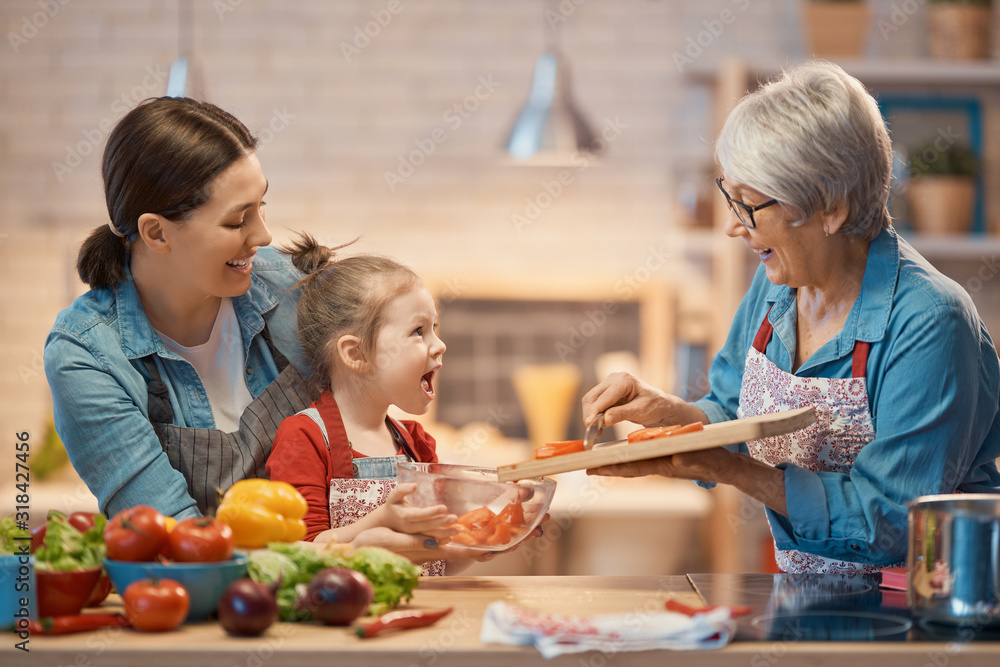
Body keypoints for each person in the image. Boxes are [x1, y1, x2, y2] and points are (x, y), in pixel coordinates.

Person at [582, 61, 1000, 574]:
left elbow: (892, 521)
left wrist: (735, 472)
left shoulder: (930, 320)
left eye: (751, 206)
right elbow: (733, 418)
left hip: (922, 611)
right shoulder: (778, 285)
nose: (736, 228)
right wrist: (666, 414)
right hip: (818, 598)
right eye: (731, 199)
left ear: (831, 208)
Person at [44, 97, 317, 520]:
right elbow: (172, 537)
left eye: (261, 206)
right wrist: (329, 549)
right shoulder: (86, 356)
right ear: (156, 233)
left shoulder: (292, 287)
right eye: (236, 221)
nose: (263, 236)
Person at [266, 237, 502, 572]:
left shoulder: (416, 443)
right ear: (356, 354)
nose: (440, 345)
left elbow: (432, 560)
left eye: (434, 328)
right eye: (418, 331)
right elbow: (299, 555)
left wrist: (480, 542)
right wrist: (376, 523)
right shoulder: (304, 437)